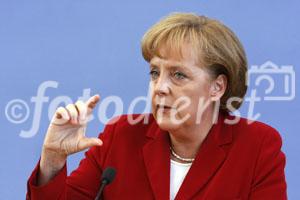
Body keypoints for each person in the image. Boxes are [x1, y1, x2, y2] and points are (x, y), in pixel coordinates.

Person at [26, 13, 287, 200]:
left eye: (178, 75)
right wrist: (52, 159)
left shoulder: (257, 146)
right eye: (154, 73)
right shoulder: (122, 135)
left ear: (217, 87)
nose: (160, 87)